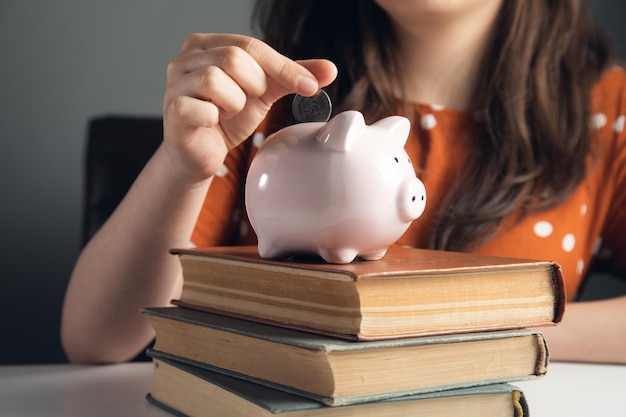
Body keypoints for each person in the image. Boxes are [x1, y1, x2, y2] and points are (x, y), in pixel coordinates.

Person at [61, 0, 626, 364]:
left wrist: (471, 327)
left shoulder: (608, 110)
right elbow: (96, 340)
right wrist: (182, 167)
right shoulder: (259, 107)